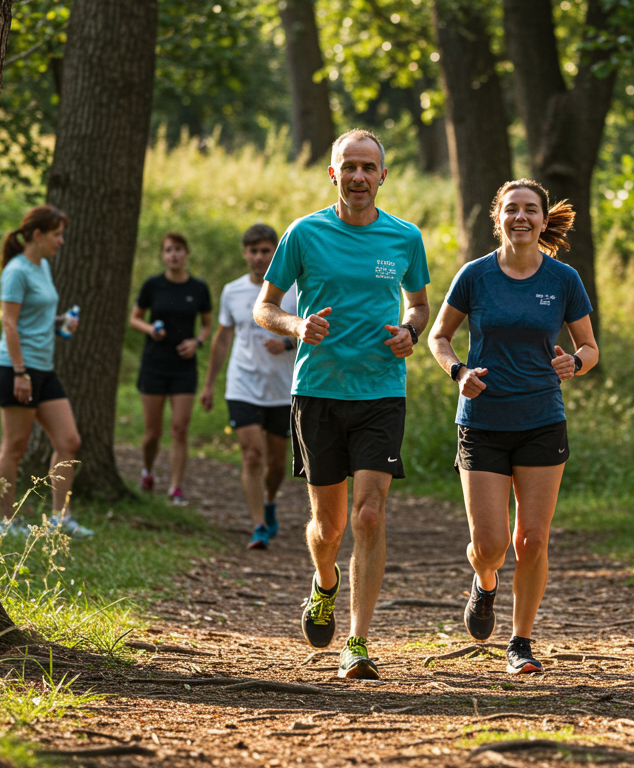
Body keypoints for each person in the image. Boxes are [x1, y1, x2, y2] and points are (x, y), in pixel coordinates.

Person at [254, 129, 430, 679]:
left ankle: (358, 642)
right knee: (328, 528)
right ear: (333, 174)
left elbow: (419, 304)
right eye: (348, 167)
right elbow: (265, 306)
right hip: (318, 392)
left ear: (383, 175)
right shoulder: (304, 233)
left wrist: (409, 331)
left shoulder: (405, 237)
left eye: (367, 168)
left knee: (369, 515)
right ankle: (324, 582)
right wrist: (296, 325)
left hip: (381, 392)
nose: (358, 176)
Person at [428, 180, 598, 675]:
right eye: (511, 210)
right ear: (497, 218)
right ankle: (485, 583)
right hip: (482, 422)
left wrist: (575, 363)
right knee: (491, 546)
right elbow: (439, 336)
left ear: (543, 221)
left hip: (542, 421)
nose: (520, 217)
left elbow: (589, 348)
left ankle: (520, 641)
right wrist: (458, 372)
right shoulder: (475, 276)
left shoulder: (563, 279)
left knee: (533, 541)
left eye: (530, 210)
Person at [0, 205, 93, 539]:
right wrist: (20, 373)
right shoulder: (16, 271)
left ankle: (59, 518)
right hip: (16, 368)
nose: (61, 241)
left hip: (44, 369)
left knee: (69, 441)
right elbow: (9, 324)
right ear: (37, 235)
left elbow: (35, 318)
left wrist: (61, 321)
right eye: (56, 234)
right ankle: (7, 523)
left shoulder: (44, 266)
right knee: (15, 446)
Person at [201, 223, 297, 549]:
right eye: (253, 251)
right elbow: (222, 337)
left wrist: (286, 344)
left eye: (265, 251)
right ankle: (258, 525)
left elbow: (311, 332)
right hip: (242, 384)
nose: (258, 257)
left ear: (275, 253)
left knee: (277, 463)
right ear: (245, 254)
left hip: (282, 388)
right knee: (253, 455)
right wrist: (209, 384)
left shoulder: (294, 291)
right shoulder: (233, 291)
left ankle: (269, 501)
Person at [128, 233, 213, 505]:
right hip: (154, 365)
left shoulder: (198, 288)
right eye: (168, 250)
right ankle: (147, 471)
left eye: (178, 249)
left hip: (183, 368)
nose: (173, 254)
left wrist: (197, 342)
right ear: (163, 255)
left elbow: (207, 325)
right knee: (152, 433)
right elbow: (134, 319)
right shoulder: (153, 285)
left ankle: (176, 487)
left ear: (187, 253)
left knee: (179, 429)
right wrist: (150, 329)